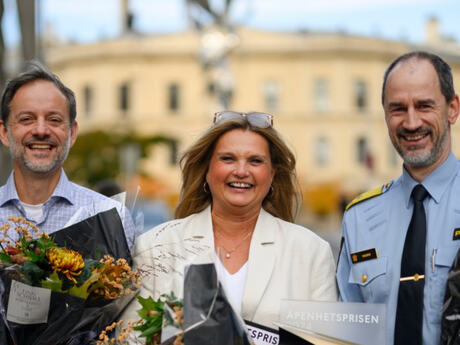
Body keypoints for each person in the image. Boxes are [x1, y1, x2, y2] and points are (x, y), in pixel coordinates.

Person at [122, 111, 337, 331]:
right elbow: (133, 336)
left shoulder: (311, 252)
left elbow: (325, 338)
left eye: (255, 161)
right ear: (207, 170)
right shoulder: (153, 247)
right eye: (228, 158)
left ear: (272, 174)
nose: (241, 171)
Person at [336, 51, 460, 345]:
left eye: (424, 105)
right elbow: (347, 331)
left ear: (453, 109)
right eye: (398, 109)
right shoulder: (359, 218)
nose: (411, 122)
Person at [0, 62, 135, 251]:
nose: (40, 130)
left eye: (54, 120)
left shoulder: (110, 218)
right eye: (26, 119)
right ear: (5, 133)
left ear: (72, 133)